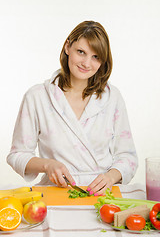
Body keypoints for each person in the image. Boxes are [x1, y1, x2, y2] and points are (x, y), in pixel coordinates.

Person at [7, 20, 138, 196]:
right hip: (55, 193)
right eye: (81, 52)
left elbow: (128, 156)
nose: (86, 63)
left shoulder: (112, 97)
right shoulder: (37, 96)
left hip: (102, 195)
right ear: (68, 47)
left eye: (96, 56)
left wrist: (111, 177)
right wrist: (48, 165)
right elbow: (17, 154)